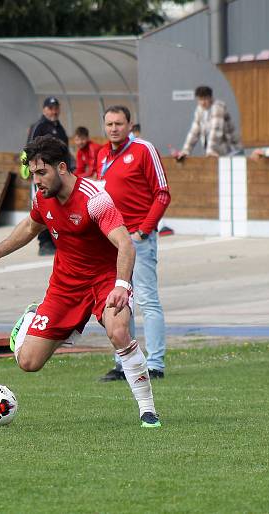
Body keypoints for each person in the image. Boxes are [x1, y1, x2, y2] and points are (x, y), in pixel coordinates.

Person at [0, 135, 160, 428]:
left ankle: (147, 410)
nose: (37, 180)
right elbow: (30, 226)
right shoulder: (43, 198)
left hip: (105, 280)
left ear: (62, 167)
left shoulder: (94, 200)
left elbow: (126, 245)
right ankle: (32, 319)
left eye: (41, 172)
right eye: (33, 173)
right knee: (28, 363)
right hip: (65, 287)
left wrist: (121, 286)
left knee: (119, 331)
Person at [96, 105, 171, 382]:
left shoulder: (143, 150)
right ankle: (123, 362)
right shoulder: (102, 154)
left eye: (118, 123)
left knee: (147, 300)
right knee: (117, 299)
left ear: (130, 125)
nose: (113, 128)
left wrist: (143, 230)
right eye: (109, 124)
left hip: (138, 239)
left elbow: (162, 194)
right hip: (113, 242)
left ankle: (155, 364)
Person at [27, 96, 71, 255]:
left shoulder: (59, 128)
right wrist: (35, 173)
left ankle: (56, 240)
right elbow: (29, 151)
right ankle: (44, 242)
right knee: (43, 207)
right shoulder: (39, 126)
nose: (54, 111)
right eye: (50, 108)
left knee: (58, 207)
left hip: (59, 177)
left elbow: (65, 151)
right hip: (43, 176)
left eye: (56, 108)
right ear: (44, 109)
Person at [174, 85, 241, 159]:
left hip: (231, 151)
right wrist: (185, 151)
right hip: (217, 152)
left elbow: (216, 131)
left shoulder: (218, 107)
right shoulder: (199, 110)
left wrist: (210, 150)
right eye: (200, 99)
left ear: (211, 98)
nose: (202, 103)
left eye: (205, 99)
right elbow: (194, 132)